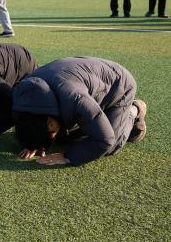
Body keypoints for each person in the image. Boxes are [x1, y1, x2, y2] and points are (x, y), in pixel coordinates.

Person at [12, 57, 147, 166]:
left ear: (50, 123)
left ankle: (134, 110)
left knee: (112, 146)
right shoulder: (23, 101)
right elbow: (29, 123)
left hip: (119, 85)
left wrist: (68, 156)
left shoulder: (75, 99)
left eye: (51, 132)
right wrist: (33, 143)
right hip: (86, 81)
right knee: (64, 137)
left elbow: (105, 140)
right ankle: (105, 117)